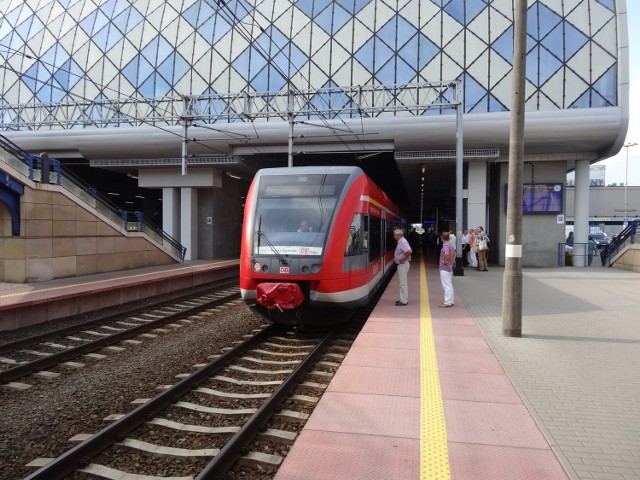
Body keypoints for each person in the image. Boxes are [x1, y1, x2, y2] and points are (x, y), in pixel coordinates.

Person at [393, 229, 412, 306]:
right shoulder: (402, 241)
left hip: (403, 265)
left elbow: (409, 251)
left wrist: (403, 259)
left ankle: (403, 301)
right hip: (403, 265)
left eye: (394, 235)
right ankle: (403, 299)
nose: (393, 237)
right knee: (402, 283)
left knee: (402, 284)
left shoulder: (403, 242)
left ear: (398, 235)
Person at [438, 231, 455, 307]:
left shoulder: (445, 246)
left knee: (446, 286)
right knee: (449, 285)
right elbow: (454, 254)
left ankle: (447, 302)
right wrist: (452, 261)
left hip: (444, 267)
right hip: (449, 267)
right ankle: (451, 300)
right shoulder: (450, 245)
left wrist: (445, 261)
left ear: (442, 238)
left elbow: (446, 253)